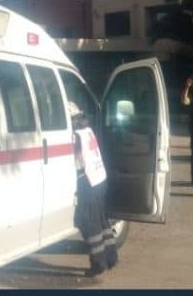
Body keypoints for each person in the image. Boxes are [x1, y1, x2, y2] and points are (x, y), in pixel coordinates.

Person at [70, 102, 118, 277]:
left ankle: (98, 264)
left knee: (88, 223)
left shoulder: (74, 136)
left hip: (87, 180)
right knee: (101, 220)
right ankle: (111, 256)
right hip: (99, 178)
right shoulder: (87, 130)